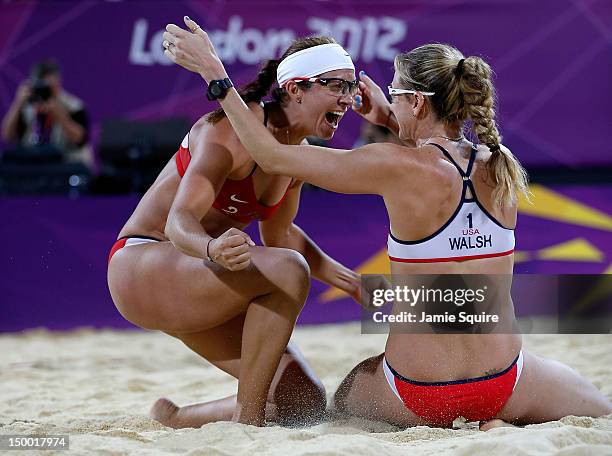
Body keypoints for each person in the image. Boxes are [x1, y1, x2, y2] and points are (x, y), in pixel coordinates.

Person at [162, 16, 612, 429]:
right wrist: (391, 119)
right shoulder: (502, 164)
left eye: (394, 96)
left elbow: (271, 155)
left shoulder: (392, 165)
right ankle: (495, 420)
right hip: (504, 385)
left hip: (420, 394)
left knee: (322, 405)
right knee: (596, 406)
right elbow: (440, 164)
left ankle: (187, 415)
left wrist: (217, 79)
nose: (382, 103)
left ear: (416, 102)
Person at [107, 35, 363, 428]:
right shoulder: (232, 129)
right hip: (144, 263)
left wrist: (352, 283)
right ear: (295, 88)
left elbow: (281, 236)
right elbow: (179, 223)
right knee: (289, 271)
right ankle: (248, 418)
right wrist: (212, 248)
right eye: (337, 85)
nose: (349, 98)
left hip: (200, 275)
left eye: (351, 85)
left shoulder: (294, 152)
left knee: (303, 401)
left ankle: (178, 419)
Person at [1, 60, 93, 171]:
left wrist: (59, 115)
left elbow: (80, 139)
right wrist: (18, 102)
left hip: (65, 165)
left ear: (58, 84)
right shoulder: (26, 107)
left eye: (48, 87)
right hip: (32, 166)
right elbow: (7, 135)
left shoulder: (73, 106)